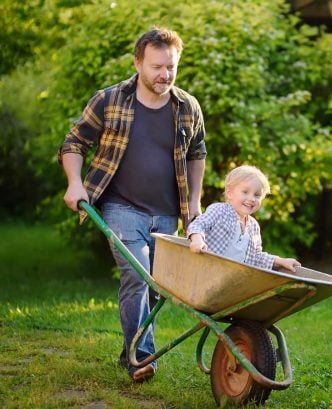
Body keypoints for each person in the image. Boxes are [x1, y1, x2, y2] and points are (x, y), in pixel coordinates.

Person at [58, 26, 206, 383]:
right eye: (156, 66)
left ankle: (132, 349)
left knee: (155, 285)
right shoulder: (109, 100)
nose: (164, 74)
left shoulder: (186, 106)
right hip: (120, 207)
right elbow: (74, 142)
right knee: (137, 276)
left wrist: (194, 202)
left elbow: (197, 153)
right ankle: (142, 357)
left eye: (171, 66)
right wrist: (75, 183)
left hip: (167, 212)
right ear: (138, 62)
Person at [187, 165, 300, 273]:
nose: (251, 199)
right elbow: (198, 225)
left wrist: (281, 261)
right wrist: (197, 239)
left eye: (257, 195)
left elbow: (256, 257)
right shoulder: (219, 211)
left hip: (231, 280)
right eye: (245, 192)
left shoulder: (253, 226)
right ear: (229, 193)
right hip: (207, 272)